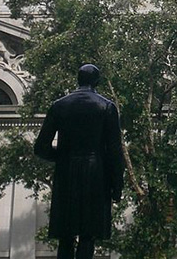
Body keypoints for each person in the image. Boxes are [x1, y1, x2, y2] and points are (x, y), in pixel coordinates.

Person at [34, 64, 124, 259]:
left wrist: (60, 156)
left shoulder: (59, 105)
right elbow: (116, 151)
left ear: (78, 79)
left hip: (66, 173)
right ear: (97, 82)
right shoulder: (107, 106)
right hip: (96, 174)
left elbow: (40, 147)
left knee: (65, 236)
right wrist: (117, 185)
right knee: (87, 235)